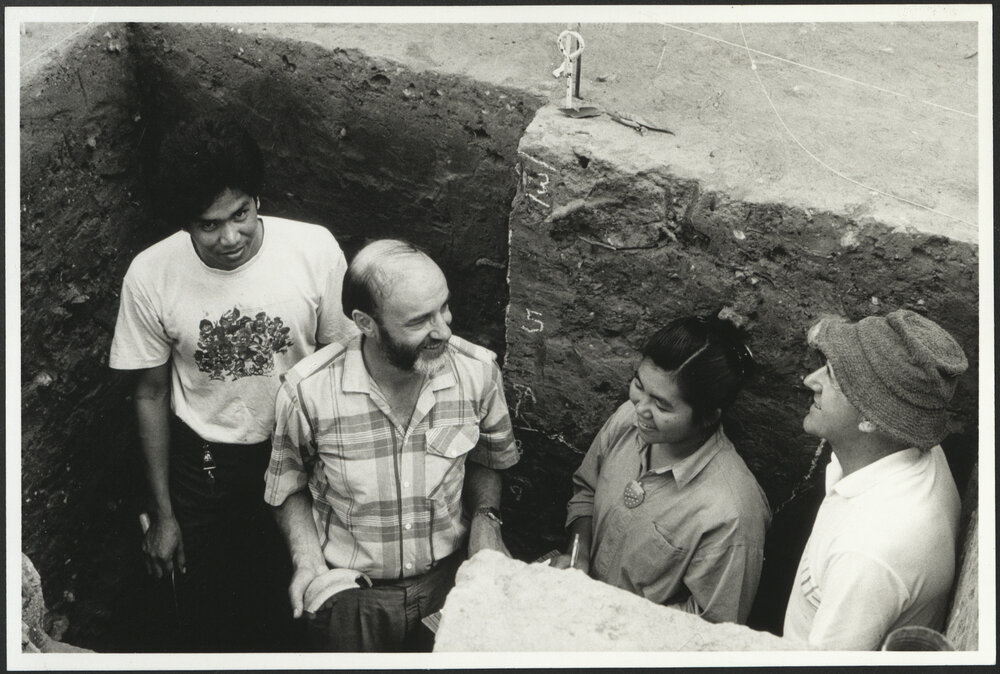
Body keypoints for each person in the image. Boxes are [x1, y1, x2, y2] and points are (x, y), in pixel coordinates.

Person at [109, 117, 355, 651]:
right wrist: (164, 515)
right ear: (185, 223)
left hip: (302, 452)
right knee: (209, 604)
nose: (229, 238)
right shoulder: (151, 275)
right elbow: (150, 393)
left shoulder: (313, 250)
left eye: (241, 214)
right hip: (206, 463)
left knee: (306, 592)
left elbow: (345, 364)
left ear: (257, 198)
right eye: (209, 225)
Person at [264, 239, 520, 652]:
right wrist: (306, 559)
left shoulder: (479, 372)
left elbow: (488, 459)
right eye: (419, 321)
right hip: (352, 597)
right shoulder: (307, 391)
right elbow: (287, 484)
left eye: (444, 307)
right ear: (366, 323)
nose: (443, 330)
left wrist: (486, 522)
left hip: (451, 583)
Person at [554, 314, 771, 625]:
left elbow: (711, 628)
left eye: (662, 405)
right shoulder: (627, 420)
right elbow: (586, 489)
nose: (640, 408)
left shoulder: (731, 514)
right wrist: (579, 554)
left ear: (708, 416)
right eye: (638, 385)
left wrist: (609, 620)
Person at [782, 309, 968, 650]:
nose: (810, 380)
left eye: (832, 376)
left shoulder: (867, 555)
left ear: (869, 419)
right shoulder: (908, 439)